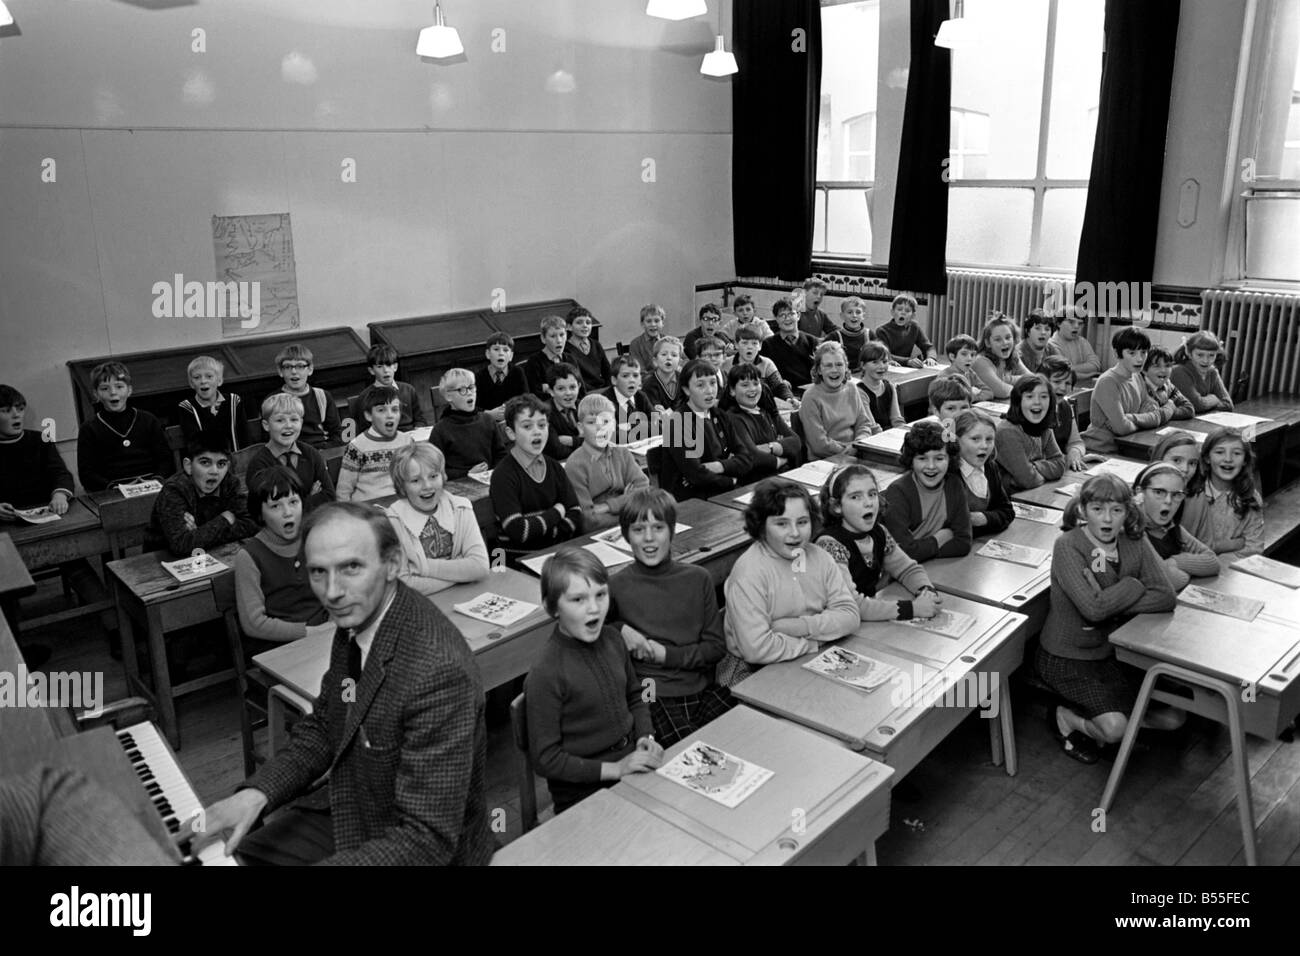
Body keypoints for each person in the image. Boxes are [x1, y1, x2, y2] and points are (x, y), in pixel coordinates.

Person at [195, 502, 495, 865]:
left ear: (393, 564)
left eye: (351, 567)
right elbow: (325, 725)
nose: (332, 591)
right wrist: (257, 793)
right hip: (354, 805)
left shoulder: (439, 671)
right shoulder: (358, 616)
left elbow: (426, 840)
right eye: (318, 572)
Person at [1036, 474, 1181, 764]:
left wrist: (1109, 599)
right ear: (1082, 510)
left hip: (1110, 653)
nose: (1107, 519)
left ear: (1127, 512)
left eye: (1116, 510)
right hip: (1066, 659)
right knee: (1115, 730)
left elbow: (1166, 595)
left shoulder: (1133, 541)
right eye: (1097, 509)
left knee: (1174, 718)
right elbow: (1093, 610)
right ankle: (1065, 717)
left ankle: (1113, 720)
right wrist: (1134, 584)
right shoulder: (1068, 545)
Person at [524, 547, 663, 814]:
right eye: (578, 600)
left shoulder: (613, 639)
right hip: (582, 794)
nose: (594, 608)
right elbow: (545, 759)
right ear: (551, 607)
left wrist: (645, 734)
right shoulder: (546, 672)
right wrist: (615, 769)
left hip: (631, 765)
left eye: (601, 594)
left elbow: (638, 694)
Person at [608, 488, 733, 746]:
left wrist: (665, 655)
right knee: (686, 752)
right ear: (626, 536)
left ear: (672, 531)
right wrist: (619, 629)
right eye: (638, 530)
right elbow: (588, 627)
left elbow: (715, 649)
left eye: (658, 528)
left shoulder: (698, 579)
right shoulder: (615, 586)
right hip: (650, 692)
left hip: (700, 688)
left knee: (738, 741)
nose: (649, 539)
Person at [716, 479, 859, 687]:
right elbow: (757, 649)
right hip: (752, 671)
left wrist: (797, 626)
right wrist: (815, 641)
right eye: (781, 524)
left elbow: (850, 616)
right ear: (762, 526)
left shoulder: (820, 558)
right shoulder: (748, 573)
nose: (794, 533)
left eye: (802, 522)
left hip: (812, 656)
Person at [815, 463, 941, 622]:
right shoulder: (829, 544)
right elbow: (851, 604)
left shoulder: (879, 532)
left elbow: (906, 568)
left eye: (872, 494)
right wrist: (913, 608)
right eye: (855, 497)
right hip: (837, 623)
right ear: (837, 506)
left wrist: (926, 591)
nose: (868, 503)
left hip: (867, 620)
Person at [233, 467, 332, 645]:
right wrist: (309, 633)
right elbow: (254, 623)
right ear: (260, 514)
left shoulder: (316, 540)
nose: (287, 512)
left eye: (293, 502)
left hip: (327, 637)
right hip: (280, 648)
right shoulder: (249, 557)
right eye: (275, 506)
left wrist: (333, 625)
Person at [385, 443, 490, 596]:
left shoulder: (461, 508)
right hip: (417, 606)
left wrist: (421, 568)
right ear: (402, 486)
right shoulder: (392, 521)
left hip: (463, 596)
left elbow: (480, 567)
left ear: (443, 476)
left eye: (433, 476)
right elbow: (402, 586)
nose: (427, 486)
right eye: (415, 481)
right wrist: (462, 573)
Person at [489, 394, 583, 549]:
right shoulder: (503, 475)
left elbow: (575, 512)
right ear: (511, 433)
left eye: (542, 425)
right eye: (527, 426)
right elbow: (519, 531)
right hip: (519, 558)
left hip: (557, 550)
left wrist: (548, 533)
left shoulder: (554, 467)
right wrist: (557, 512)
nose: (537, 432)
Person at [148, 435, 257, 555]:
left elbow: (252, 524)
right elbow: (181, 545)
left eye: (221, 464)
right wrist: (225, 519)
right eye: (205, 463)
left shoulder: (230, 483)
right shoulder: (174, 489)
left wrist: (200, 533)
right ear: (188, 466)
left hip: (209, 554)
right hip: (160, 559)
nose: (214, 471)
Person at [660, 359, 753, 500]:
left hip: (722, 491)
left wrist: (717, 466)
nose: (709, 390)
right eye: (700, 385)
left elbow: (746, 459)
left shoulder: (720, 415)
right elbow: (696, 474)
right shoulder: (677, 422)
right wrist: (731, 479)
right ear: (686, 390)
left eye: (713, 383)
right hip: (692, 498)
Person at [881, 421, 972, 562]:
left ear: (950, 459)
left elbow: (963, 543)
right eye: (922, 458)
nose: (931, 466)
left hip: (935, 567)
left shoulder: (954, 484)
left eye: (939, 458)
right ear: (911, 460)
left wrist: (920, 551)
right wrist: (939, 538)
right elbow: (903, 552)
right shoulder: (898, 491)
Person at [76, 361, 173, 491]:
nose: (113, 393)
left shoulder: (148, 420)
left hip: (152, 484)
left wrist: (157, 480)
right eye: (105, 388)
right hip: (114, 490)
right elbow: (86, 473)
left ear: (129, 390)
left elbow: (166, 459)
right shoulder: (89, 428)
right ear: (96, 394)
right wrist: (112, 487)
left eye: (119, 387)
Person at [562, 393, 649, 532]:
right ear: (580, 428)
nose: (599, 428)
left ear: (614, 424)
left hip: (631, 528)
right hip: (597, 535)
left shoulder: (622, 454)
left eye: (605, 422)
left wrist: (607, 507)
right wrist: (627, 502)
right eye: (591, 422)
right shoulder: (575, 465)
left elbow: (644, 492)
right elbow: (588, 520)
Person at [1083, 327, 1175, 454]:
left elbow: (1152, 408)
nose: (1140, 359)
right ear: (1117, 354)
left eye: (1143, 352)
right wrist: (1142, 421)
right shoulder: (1108, 382)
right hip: (1100, 449)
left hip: (1127, 444)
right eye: (1132, 353)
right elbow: (1122, 428)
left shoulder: (1137, 376)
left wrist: (1131, 419)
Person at [1179, 427, 1264, 562]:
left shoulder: (1250, 497)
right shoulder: (1192, 493)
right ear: (1207, 457)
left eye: (1237, 453)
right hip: (1191, 566)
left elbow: (1254, 548)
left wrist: (1220, 558)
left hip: (1231, 572)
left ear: (1245, 460)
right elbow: (1185, 545)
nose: (1228, 459)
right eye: (1219, 452)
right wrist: (1234, 544)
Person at [1132, 462, 1219, 590]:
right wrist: (1186, 571)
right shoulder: (1132, 531)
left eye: (1177, 495)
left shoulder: (1171, 528)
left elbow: (1212, 562)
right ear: (1140, 493)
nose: (1168, 501)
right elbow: (1169, 581)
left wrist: (1174, 562)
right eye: (1159, 492)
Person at [244, 393, 334, 512]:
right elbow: (271, 510)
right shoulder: (259, 464)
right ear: (266, 425)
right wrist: (310, 498)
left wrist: (296, 503)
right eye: (280, 420)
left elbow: (329, 496)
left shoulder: (310, 453)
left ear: (301, 423)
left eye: (294, 419)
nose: (288, 426)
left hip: (316, 521)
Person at [335, 384, 414, 502]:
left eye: (395, 410)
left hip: (402, 503)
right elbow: (343, 491)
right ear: (368, 415)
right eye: (381, 410)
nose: (390, 415)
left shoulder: (407, 441)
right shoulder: (357, 447)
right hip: (369, 508)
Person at [799, 340, 877, 457]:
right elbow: (819, 445)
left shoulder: (852, 388)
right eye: (828, 365)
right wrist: (849, 450)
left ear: (846, 367)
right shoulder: (810, 397)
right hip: (826, 459)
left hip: (856, 451)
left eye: (839, 364)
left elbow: (864, 424)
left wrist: (858, 444)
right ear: (819, 370)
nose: (834, 370)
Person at [722, 363, 801, 478]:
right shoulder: (732, 417)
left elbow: (796, 441)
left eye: (756, 383)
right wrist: (781, 460)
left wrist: (771, 447)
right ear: (732, 391)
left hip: (782, 475)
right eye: (745, 385)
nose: (752, 389)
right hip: (754, 481)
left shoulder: (767, 411)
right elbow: (752, 456)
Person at [994, 374, 1067, 492]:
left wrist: (1033, 466)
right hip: (1010, 499)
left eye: (1044, 397)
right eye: (1029, 396)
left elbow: (1059, 465)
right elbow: (1029, 480)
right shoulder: (1007, 432)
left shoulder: (1045, 429)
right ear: (1018, 401)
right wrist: (1041, 470)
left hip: (1033, 493)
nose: (1037, 402)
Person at [430, 368, 505, 480]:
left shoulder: (487, 420)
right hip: (459, 486)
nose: (469, 393)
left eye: (471, 387)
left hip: (490, 481)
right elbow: (435, 470)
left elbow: (501, 454)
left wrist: (494, 471)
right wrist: (467, 473)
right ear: (448, 396)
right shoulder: (441, 430)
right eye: (462, 389)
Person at [952, 409, 1015, 538]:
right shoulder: (950, 474)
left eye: (989, 439)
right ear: (956, 440)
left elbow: (1007, 512)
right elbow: (955, 526)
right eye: (975, 439)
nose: (984, 446)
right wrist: (993, 521)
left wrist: (983, 518)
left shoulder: (991, 467)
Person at [272, 344, 342, 448]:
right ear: (280, 371)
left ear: (310, 369)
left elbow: (336, 433)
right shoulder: (274, 401)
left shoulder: (322, 396)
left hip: (322, 450)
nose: (294, 372)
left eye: (300, 366)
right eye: (287, 367)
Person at [178, 355, 245, 451]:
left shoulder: (234, 401)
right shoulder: (187, 407)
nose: (203, 381)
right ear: (191, 383)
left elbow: (244, 437)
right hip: (207, 462)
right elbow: (194, 443)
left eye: (209, 376)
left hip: (237, 460)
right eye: (197, 377)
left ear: (219, 380)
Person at [362, 344, 427, 431]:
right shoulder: (365, 397)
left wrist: (418, 429)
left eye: (389, 365)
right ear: (372, 371)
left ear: (395, 367)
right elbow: (365, 429)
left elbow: (420, 419)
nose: (386, 371)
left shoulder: (408, 390)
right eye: (379, 367)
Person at [1041, 355, 1087, 472]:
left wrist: (1075, 453)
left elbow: (1076, 441)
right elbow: (1040, 456)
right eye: (1056, 382)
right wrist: (1066, 459)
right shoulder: (1035, 411)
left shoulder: (1065, 406)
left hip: (1060, 467)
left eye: (1067, 383)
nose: (1062, 387)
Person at [1170, 330, 1234, 414]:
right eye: (1200, 355)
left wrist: (1204, 403)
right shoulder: (1178, 371)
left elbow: (1228, 404)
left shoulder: (1213, 371)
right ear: (1189, 353)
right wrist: (1214, 399)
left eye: (1211, 355)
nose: (1206, 361)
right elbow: (1196, 406)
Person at [761, 297, 818, 389]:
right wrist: (778, 383)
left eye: (791, 314)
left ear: (798, 315)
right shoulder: (767, 344)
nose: (787, 318)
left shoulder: (812, 341)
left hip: (808, 391)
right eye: (782, 315)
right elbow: (762, 374)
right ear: (776, 319)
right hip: (780, 392)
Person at [971, 313, 1030, 400]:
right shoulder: (980, 361)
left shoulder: (1013, 356)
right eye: (998, 339)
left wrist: (1007, 379)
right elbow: (1002, 391)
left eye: (1008, 337)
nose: (1004, 342)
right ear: (987, 343)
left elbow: (1033, 380)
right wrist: (1021, 382)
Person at [600, 354, 656, 444]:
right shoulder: (605, 402)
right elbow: (611, 435)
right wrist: (644, 427)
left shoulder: (641, 396)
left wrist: (634, 426)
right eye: (625, 376)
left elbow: (659, 425)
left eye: (635, 375)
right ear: (614, 380)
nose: (632, 380)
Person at [475, 332, 528, 423]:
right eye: (496, 349)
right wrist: (489, 414)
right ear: (488, 354)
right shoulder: (479, 377)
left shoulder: (518, 372)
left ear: (511, 356)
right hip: (487, 422)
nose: (501, 354)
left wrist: (509, 411)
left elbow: (525, 398)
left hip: (513, 419)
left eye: (505, 350)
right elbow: (473, 407)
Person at [874, 294, 937, 368]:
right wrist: (907, 361)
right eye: (899, 309)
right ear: (892, 312)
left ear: (913, 315)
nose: (903, 313)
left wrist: (931, 358)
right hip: (888, 367)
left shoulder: (914, 327)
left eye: (907, 311)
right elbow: (884, 354)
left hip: (906, 368)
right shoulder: (882, 331)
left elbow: (928, 347)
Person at [855, 341, 906, 429]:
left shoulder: (890, 386)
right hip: (872, 436)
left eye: (884, 361)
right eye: (875, 362)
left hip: (888, 434)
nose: (881, 366)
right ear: (863, 365)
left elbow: (896, 419)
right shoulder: (859, 391)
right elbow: (872, 427)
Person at [522, 314, 572, 397]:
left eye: (562, 335)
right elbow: (535, 395)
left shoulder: (570, 359)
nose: (559, 340)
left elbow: (580, 389)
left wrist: (549, 388)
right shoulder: (534, 362)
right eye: (553, 336)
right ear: (543, 338)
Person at [563, 306, 611, 392]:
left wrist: (609, 389)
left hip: (603, 389)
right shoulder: (566, 350)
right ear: (569, 327)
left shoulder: (596, 345)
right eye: (579, 323)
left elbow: (607, 371)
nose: (585, 326)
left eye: (588, 323)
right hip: (584, 392)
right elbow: (576, 380)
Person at [542, 362, 583, 462]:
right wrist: (584, 441)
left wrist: (572, 441)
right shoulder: (544, 413)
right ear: (551, 391)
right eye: (561, 389)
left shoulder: (585, 406)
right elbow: (557, 451)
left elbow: (602, 439)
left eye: (572, 387)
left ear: (579, 386)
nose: (568, 393)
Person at [1140, 347, 1194, 422]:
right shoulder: (1139, 388)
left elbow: (1189, 409)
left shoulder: (1168, 385)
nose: (1163, 370)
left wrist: (1166, 411)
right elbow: (1151, 416)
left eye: (1167, 366)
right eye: (1156, 366)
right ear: (1144, 370)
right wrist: (1170, 406)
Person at [1047, 306, 1100, 382]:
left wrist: (1071, 369)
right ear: (1059, 323)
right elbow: (1062, 372)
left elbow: (1095, 365)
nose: (1076, 326)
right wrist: (1090, 374)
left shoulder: (1082, 341)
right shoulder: (1051, 344)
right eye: (1071, 322)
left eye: (1080, 323)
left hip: (1083, 386)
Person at [939, 333, 988, 402]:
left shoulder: (970, 373)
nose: (969, 358)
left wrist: (972, 397)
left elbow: (988, 392)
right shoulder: (945, 377)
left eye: (973, 354)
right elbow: (955, 400)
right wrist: (972, 392)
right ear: (952, 357)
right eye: (964, 354)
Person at [640, 335, 683, 414]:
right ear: (655, 361)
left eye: (674, 355)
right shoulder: (649, 384)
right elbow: (653, 411)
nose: (669, 358)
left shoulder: (684, 379)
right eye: (664, 354)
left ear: (679, 362)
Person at [828, 295, 872, 368]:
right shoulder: (835, 336)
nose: (854, 315)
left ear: (863, 316)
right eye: (849, 312)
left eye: (858, 312)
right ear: (842, 316)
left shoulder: (869, 335)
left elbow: (879, 355)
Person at [627, 304, 667, 377]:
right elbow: (640, 372)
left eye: (657, 321)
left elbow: (685, 360)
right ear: (642, 324)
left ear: (662, 323)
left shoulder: (668, 341)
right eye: (648, 321)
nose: (653, 324)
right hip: (648, 383)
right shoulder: (636, 344)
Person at [1016, 310, 1055, 374]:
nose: (1043, 333)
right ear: (1027, 331)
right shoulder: (1019, 353)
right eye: (1037, 328)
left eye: (1047, 329)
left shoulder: (1051, 349)